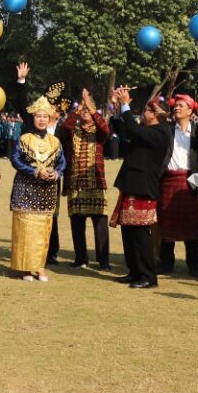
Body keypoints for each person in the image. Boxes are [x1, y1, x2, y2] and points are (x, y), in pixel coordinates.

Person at [109, 88, 169, 288]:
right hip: (131, 184)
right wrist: (118, 107)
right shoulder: (144, 130)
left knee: (141, 234)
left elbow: (134, 130)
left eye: (147, 110)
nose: (143, 113)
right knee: (128, 231)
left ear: (157, 114)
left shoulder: (160, 132)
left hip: (143, 187)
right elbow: (123, 129)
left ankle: (147, 276)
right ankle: (134, 271)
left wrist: (126, 104)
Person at [8, 95, 67, 282]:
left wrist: (57, 173)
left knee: (44, 229)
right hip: (26, 188)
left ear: (49, 119)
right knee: (26, 228)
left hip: (47, 191)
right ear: (33, 118)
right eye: (38, 116)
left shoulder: (55, 142)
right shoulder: (25, 139)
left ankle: (40, 266)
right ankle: (26, 268)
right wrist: (34, 171)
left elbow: (63, 162)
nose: (41, 119)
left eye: (45, 116)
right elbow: (15, 160)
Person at [60, 87, 111, 270]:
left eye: (89, 110)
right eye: (83, 110)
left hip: (95, 183)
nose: (85, 113)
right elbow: (66, 125)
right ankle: (81, 258)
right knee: (77, 223)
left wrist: (90, 105)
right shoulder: (73, 131)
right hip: (75, 183)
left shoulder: (98, 133)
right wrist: (81, 104)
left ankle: (103, 260)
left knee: (100, 223)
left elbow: (105, 128)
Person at [160, 93, 198, 275]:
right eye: (176, 105)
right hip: (168, 180)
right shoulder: (167, 130)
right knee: (166, 224)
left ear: (190, 110)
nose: (176, 108)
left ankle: (194, 266)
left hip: (189, 181)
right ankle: (166, 264)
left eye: (181, 105)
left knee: (190, 226)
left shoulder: (197, 131)